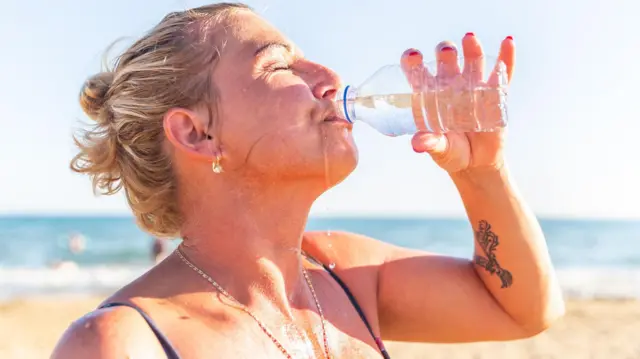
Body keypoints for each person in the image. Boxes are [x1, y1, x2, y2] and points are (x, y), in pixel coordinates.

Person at [52, 3, 565, 358]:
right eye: (278, 64)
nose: (329, 77)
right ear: (197, 132)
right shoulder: (121, 342)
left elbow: (523, 309)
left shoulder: (343, 274)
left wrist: (482, 173)